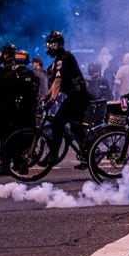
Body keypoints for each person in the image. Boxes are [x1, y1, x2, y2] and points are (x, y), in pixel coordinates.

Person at [45, 30, 91, 159]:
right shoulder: (60, 58)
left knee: (57, 122)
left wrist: (51, 100)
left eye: (51, 44)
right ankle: (88, 154)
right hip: (78, 96)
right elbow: (55, 82)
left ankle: (53, 154)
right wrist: (48, 96)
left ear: (57, 44)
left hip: (77, 97)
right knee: (76, 129)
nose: (48, 47)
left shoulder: (64, 58)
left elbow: (58, 81)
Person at [0, 49, 41, 175]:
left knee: (7, 138)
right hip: (29, 114)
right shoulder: (33, 76)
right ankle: (21, 164)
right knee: (24, 140)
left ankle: (5, 165)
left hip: (13, 113)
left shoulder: (10, 75)